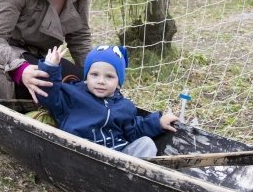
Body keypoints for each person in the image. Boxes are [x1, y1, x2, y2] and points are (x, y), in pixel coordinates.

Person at [37, 43, 179, 158]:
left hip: (117, 157)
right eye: (94, 74)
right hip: (80, 153)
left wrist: (158, 122)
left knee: (146, 143)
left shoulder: (125, 106)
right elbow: (49, 96)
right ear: (86, 78)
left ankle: (131, 179)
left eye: (109, 76)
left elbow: (134, 131)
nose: (101, 81)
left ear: (119, 82)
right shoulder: (72, 94)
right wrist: (50, 68)